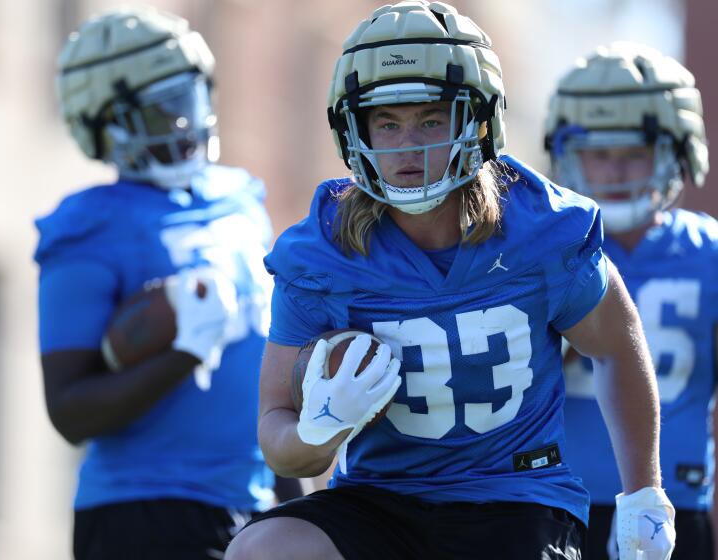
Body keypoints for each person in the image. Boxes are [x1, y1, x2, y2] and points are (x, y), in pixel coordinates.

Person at [226, 3, 675, 560]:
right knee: (263, 549)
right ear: (354, 129)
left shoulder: (539, 229)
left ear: (478, 121)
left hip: (516, 498)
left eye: (430, 120)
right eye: (386, 123)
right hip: (383, 499)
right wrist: (319, 431)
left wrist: (644, 494)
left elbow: (617, 347)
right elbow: (277, 434)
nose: (406, 145)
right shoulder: (322, 253)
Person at [35, 8, 287, 559]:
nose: (183, 124)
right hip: (145, 513)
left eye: (187, 101)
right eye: (160, 112)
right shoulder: (88, 229)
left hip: (257, 502)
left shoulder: (238, 201)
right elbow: (69, 410)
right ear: (108, 123)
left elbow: (265, 374)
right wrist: (183, 354)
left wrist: (298, 493)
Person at [545, 42, 713, 559]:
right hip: (555, 503)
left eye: (633, 154)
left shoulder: (708, 255)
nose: (615, 173)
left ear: (676, 152)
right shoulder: (545, 250)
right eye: (598, 155)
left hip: (673, 504)